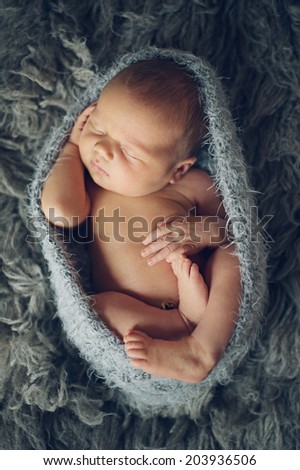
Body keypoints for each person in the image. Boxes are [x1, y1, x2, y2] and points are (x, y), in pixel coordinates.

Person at [41, 59, 241, 383]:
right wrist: (72, 149)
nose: (103, 150)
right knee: (95, 310)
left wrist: (204, 230)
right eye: (98, 128)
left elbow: (233, 232)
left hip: (200, 301)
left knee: (234, 258)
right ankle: (180, 329)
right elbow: (59, 212)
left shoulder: (194, 184)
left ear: (177, 170)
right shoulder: (90, 184)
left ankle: (202, 348)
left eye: (129, 152)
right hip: (134, 317)